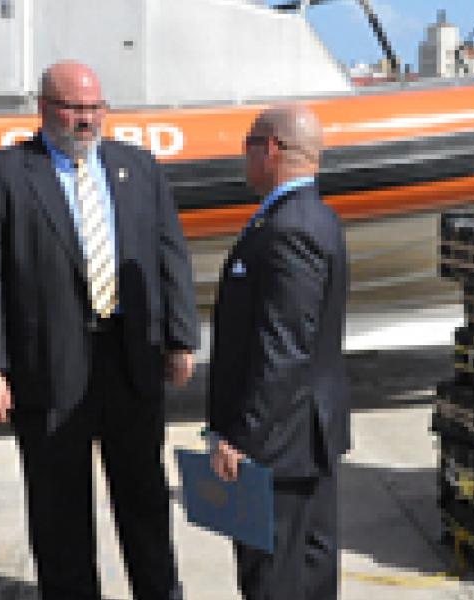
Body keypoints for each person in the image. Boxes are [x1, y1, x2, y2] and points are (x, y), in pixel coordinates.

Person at [0, 61, 199, 600]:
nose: (85, 120)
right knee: (59, 509)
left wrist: (182, 337)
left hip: (130, 362)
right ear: (43, 107)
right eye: (73, 108)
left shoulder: (139, 168)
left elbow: (169, 255)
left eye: (94, 108)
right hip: (48, 367)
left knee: (145, 501)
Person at [207, 104, 350, 600]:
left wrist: (242, 436)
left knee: (273, 577)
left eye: (247, 146)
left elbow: (283, 347)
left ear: (270, 148)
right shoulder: (315, 217)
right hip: (303, 434)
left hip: (280, 441)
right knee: (307, 570)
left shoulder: (290, 228)